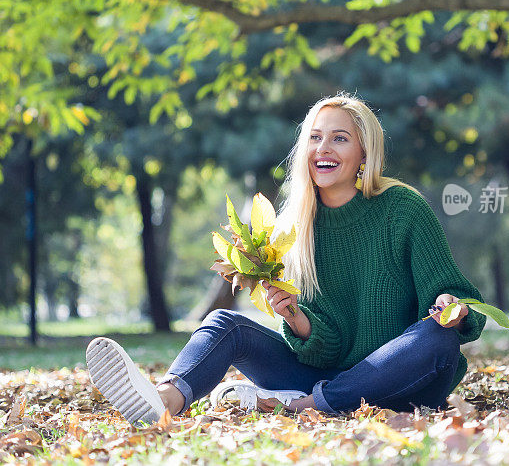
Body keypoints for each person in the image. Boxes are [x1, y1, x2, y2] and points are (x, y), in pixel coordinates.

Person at [86, 94, 486, 425]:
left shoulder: (404, 209)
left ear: (365, 151)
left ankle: (298, 406)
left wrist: (453, 309)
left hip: (401, 378)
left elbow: (460, 300)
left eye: (339, 139)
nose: (323, 149)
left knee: (439, 338)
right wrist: (297, 319)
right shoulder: (295, 227)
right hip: (324, 375)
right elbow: (324, 349)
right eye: (315, 138)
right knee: (225, 324)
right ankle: (164, 401)